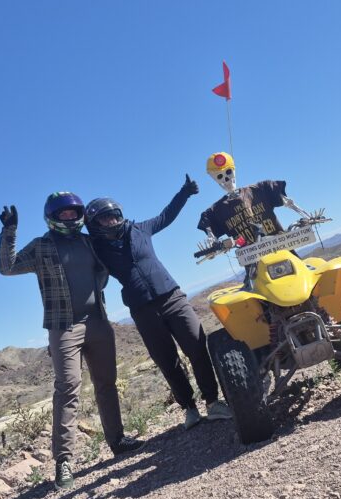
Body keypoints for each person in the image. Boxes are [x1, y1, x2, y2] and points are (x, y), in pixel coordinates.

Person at [0, 192, 144, 490]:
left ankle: (117, 440)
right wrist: (9, 231)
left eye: (73, 213)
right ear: (52, 217)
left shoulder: (88, 241)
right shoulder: (41, 246)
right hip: (63, 327)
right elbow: (7, 266)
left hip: (99, 322)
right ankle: (63, 462)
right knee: (67, 390)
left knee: (107, 383)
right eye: (62, 214)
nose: (69, 217)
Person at [85, 176, 233, 430]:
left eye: (114, 215)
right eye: (104, 218)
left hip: (172, 297)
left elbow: (167, 215)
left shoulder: (140, 229)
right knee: (167, 360)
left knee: (197, 346)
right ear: (94, 225)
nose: (111, 221)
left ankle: (213, 402)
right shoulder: (95, 248)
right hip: (142, 310)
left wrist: (184, 193)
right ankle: (189, 408)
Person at [197, 151, 317, 248]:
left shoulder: (260, 189)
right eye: (219, 176)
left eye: (228, 172)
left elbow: (288, 202)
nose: (226, 179)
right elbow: (211, 235)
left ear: (234, 170)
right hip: (254, 261)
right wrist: (212, 246)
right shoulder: (216, 211)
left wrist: (307, 217)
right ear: (215, 179)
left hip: (281, 246)